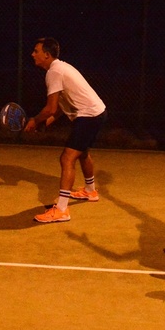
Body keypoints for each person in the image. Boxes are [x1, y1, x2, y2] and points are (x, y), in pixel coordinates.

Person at [26, 37, 107, 223]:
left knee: (67, 158)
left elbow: (51, 108)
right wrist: (47, 122)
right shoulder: (61, 68)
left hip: (89, 116)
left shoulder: (54, 72)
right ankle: (90, 191)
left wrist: (35, 120)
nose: (32, 54)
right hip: (97, 112)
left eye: (36, 51)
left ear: (47, 55)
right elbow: (61, 106)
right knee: (82, 152)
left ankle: (62, 210)